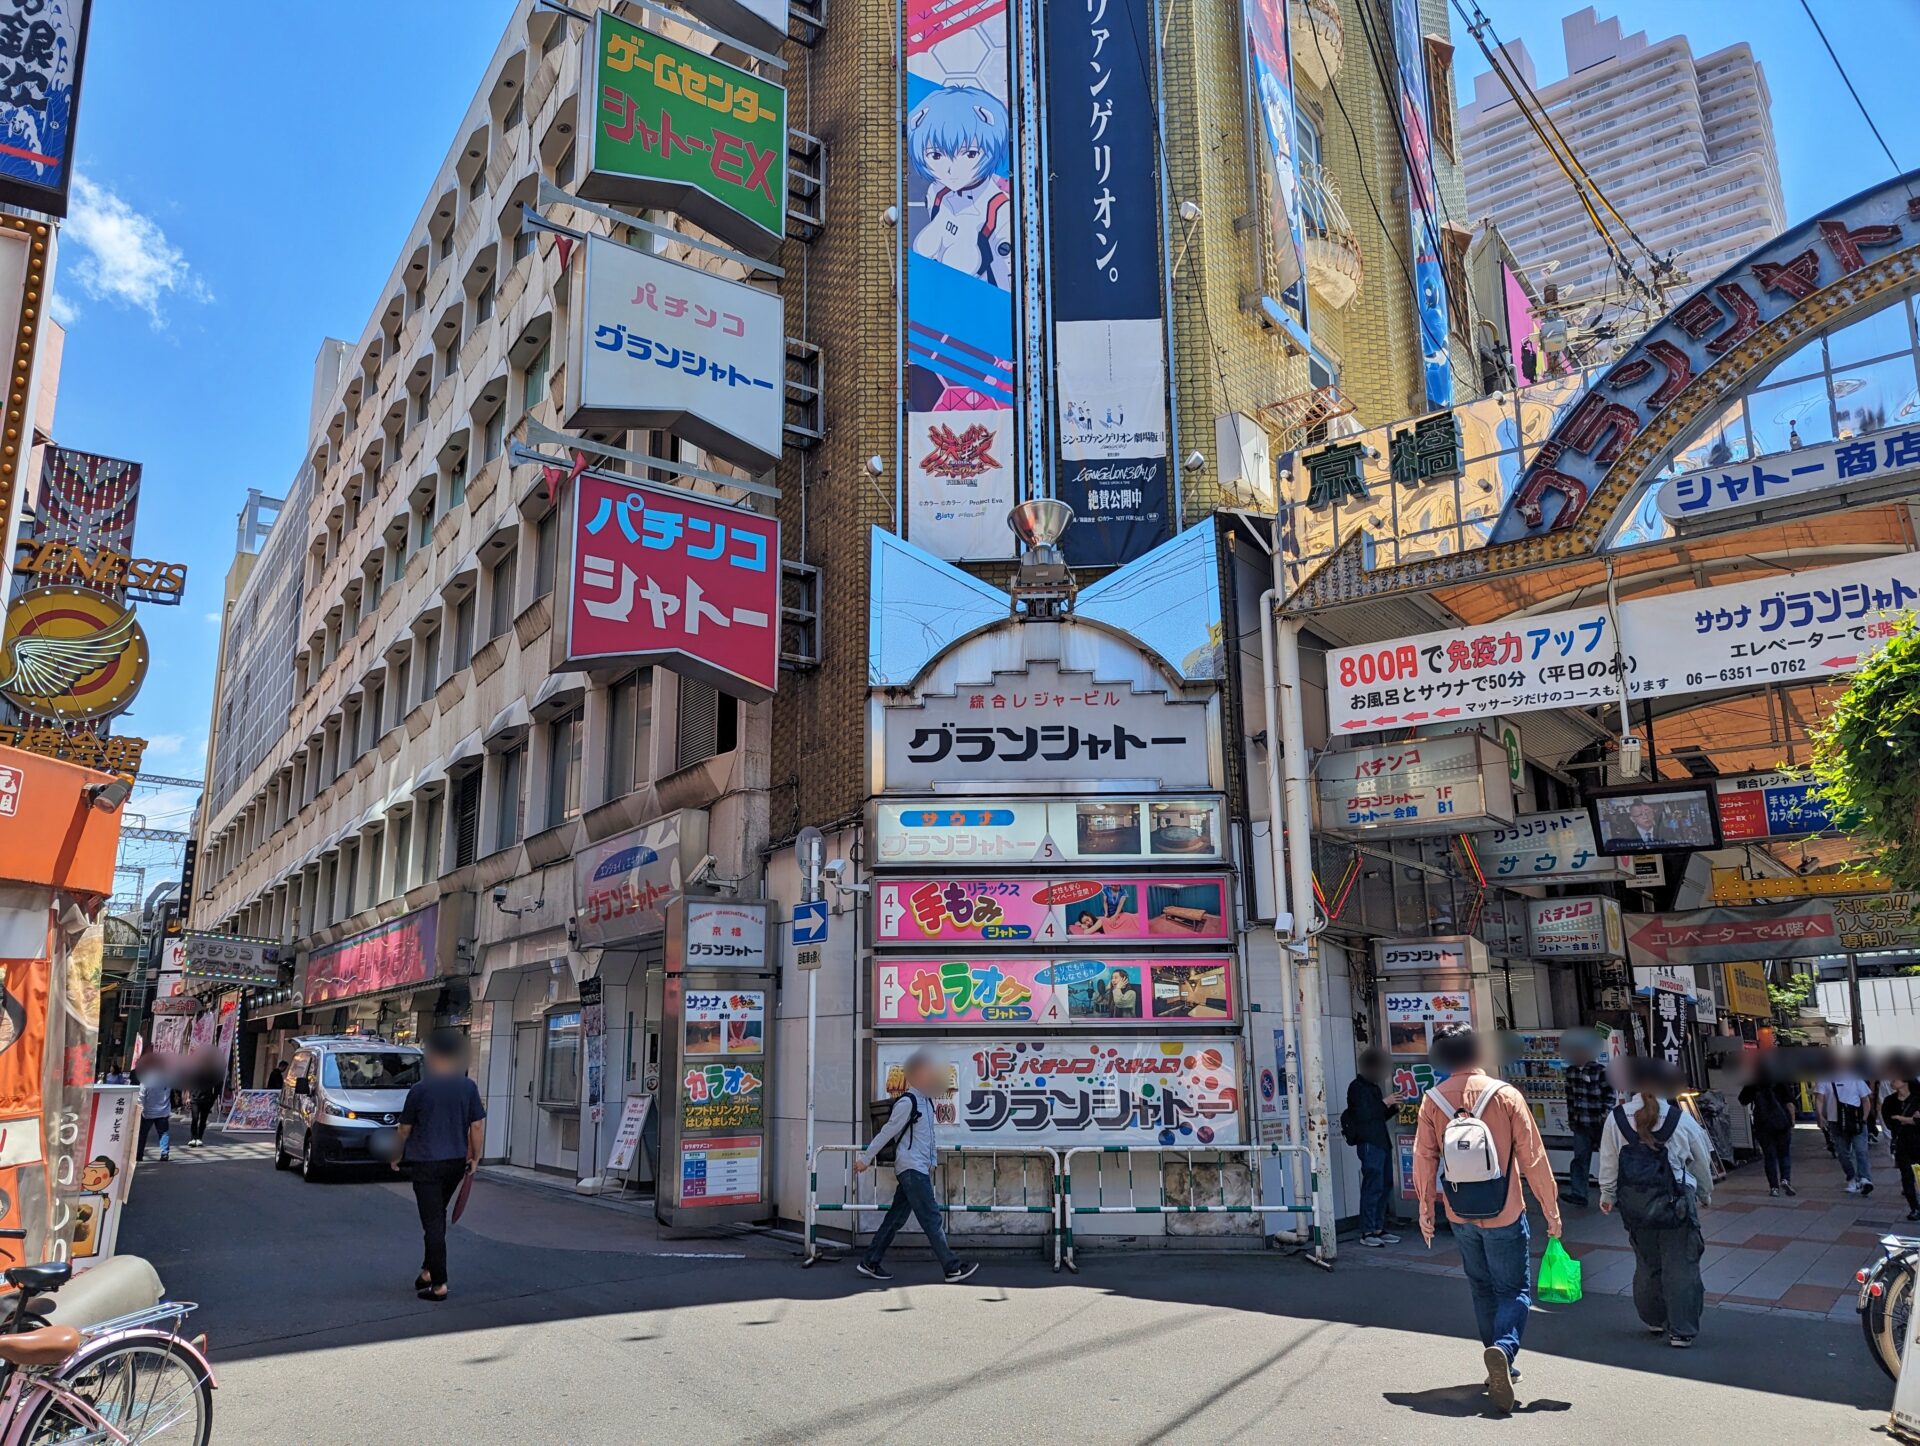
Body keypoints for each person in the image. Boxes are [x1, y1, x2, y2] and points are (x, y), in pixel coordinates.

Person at [1413, 1025, 1562, 1413]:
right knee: (1514, 1289)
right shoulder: (1505, 1095)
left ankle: (1497, 1359)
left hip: (1460, 1212)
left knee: (1481, 1287)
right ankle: (1504, 1351)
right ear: (1477, 1052)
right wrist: (1551, 1209)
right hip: (1506, 1209)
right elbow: (1533, 1158)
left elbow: (1424, 1159)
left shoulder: (1432, 1101)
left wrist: (1427, 1210)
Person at [1598, 1060, 1714, 1348]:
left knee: (1647, 1262)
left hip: (1635, 1203)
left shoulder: (1617, 1119)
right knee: (1681, 1265)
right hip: (1676, 1204)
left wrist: (1607, 1194)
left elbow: (1609, 1161)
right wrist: (1704, 1193)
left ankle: (1653, 1318)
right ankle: (1681, 1330)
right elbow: (1701, 1162)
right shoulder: (1680, 1119)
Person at [853, 1050, 978, 1284]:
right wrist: (866, 1158)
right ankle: (951, 1267)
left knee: (895, 1219)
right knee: (931, 1218)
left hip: (917, 1168)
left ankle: (870, 1261)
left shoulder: (926, 1102)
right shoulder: (907, 1102)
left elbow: (926, 1138)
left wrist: (931, 1163)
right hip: (911, 1169)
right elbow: (887, 1131)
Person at [392, 1030, 486, 1302]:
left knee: (433, 1221)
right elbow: (477, 1125)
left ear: (433, 1057)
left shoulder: (420, 1090)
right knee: (437, 1215)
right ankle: (427, 1271)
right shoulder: (468, 1087)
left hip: (426, 1163)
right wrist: (475, 1157)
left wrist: (396, 1156)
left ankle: (440, 1283)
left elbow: (404, 1129)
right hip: (455, 1163)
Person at [1344, 1048, 1401, 1247]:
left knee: (1385, 1184)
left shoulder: (1373, 1087)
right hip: (1368, 1143)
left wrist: (1391, 1108)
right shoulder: (1357, 1087)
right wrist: (1385, 1102)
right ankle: (1367, 1231)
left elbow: (1378, 1116)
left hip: (1381, 1141)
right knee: (1373, 1186)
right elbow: (1363, 1116)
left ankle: (1378, 1227)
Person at [1561, 1033, 1612, 1209]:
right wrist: (1571, 1119)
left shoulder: (1600, 1071)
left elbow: (1610, 1094)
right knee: (1580, 1159)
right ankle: (1579, 1193)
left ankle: (1616, 1194)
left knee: (1609, 1159)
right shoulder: (1571, 1072)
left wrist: (1605, 1114)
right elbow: (1569, 1098)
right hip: (1581, 1123)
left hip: (1599, 1122)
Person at [1816, 1069, 1875, 1195]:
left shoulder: (1856, 1079)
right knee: (1843, 1153)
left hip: (1855, 1121)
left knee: (1861, 1150)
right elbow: (1820, 1099)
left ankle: (1864, 1178)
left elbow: (1866, 1100)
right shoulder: (1825, 1079)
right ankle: (1852, 1177)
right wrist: (1820, 1116)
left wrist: (1863, 1119)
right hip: (1835, 1122)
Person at [1738, 1072, 1797, 1197]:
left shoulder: (1753, 1083)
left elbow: (1742, 1100)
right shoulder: (1780, 1079)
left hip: (1763, 1125)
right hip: (1782, 1123)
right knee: (1784, 1154)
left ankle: (1774, 1188)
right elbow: (1789, 1102)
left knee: (1769, 1157)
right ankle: (1785, 1179)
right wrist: (1792, 1120)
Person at [1882, 1078, 1920, 1221]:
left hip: (1918, 1142)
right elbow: (1890, 1123)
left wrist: (1903, 1119)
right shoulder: (1889, 1101)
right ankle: (1915, 1208)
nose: (1891, 1080)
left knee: (1919, 1175)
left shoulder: (1918, 1097)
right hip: (1902, 1143)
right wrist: (1912, 1119)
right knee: (1907, 1176)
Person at [135, 1065, 174, 1163]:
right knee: (163, 1133)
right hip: (163, 1111)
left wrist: (141, 1107)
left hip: (148, 1112)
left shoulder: (146, 1080)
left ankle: (139, 1154)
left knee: (143, 1134)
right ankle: (164, 1153)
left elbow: (141, 1096)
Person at [186, 1059, 223, 1148]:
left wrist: (213, 1098)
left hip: (207, 1099)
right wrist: (188, 1097)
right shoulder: (195, 1072)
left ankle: (199, 1138)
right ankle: (193, 1138)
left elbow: (219, 1085)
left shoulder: (213, 1074)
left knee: (203, 1119)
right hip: (195, 1099)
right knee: (195, 1118)